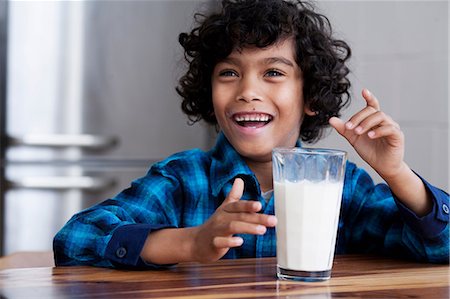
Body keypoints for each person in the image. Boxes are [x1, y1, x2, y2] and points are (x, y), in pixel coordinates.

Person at [53, 0, 449, 268]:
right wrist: (190, 243)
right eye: (229, 73)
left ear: (311, 95)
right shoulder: (182, 180)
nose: (247, 91)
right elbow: (75, 238)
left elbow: (439, 246)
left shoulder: (344, 189)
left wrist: (397, 174)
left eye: (273, 72)